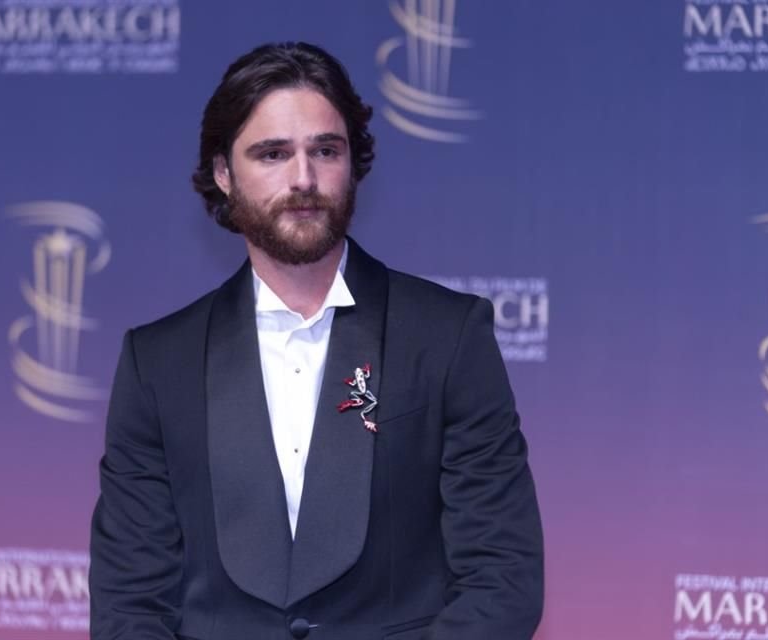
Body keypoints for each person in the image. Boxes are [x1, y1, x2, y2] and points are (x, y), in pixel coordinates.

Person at [89, 42, 543, 640]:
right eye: (273, 154)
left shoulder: (447, 335)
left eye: (324, 150)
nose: (303, 178)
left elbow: (502, 578)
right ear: (224, 173)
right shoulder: (158, 361)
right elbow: (130, 602)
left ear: (352, 162)